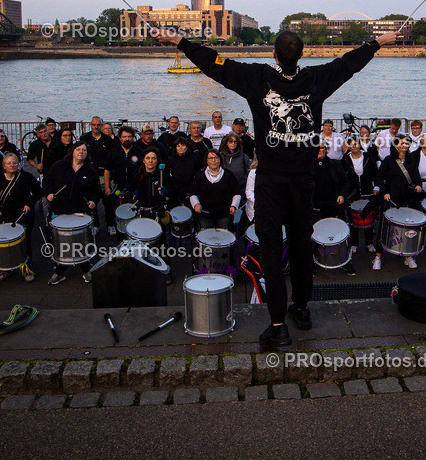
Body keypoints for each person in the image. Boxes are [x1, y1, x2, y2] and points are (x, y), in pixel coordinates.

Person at [159, 26, 396, 349]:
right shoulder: (317, 78)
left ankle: (278, 324)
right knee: (300, 244)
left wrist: (179, 42)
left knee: (271, 248)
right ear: (302, 54)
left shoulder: (256, 77)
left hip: (270, 178)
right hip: (303, 179)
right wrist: (377, 43)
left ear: (273, 54)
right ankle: (301, 308)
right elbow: (347, 64)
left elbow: (213, 63)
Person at [44, 141, 101, 284]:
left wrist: (93, 202)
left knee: (80, 241)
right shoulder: (59, 166)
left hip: (80, 212)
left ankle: (85, 268)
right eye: (78, 149)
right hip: (60, 210)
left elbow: (96, 191)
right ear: (72, 151)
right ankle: (60, 271)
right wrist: (49, 194)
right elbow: (47, 181)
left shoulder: (90, 171)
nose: (81, 152)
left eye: (84, 150)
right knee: (61, 241)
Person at [0, 153, 41, 282]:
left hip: (23, 215)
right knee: (4, 243)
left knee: (24, 242)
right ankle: (5, 269)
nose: (12, 165)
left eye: (15, 162)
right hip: (5, 215)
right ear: (3, 166)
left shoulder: (26, 177)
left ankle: (27, 269)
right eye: (9, 163)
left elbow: (37, 192)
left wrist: (29, 204)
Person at [374, 135, 422, 271]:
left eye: (406, 143)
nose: (405, 146)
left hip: (408, 199)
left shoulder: (412, 161)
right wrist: (384, 193)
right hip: (391, 200)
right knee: (384, 229)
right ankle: (378, 257)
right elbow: (378, 178)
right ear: (395, 145)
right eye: (402, 143)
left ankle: (408, 256)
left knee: (409, 229)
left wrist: (418, 186)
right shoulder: (389, 160)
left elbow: (417, 178)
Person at [311, 144, 356, 276]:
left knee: (340, 235)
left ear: (326, 149)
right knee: (314, 237)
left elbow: (345, 182)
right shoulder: (308, 166)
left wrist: (342, 195)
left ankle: (346, 262)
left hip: (334, 206)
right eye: (317, 148)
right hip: (316, 207)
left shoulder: (335, 164)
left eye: (322, 148)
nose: (319, 150)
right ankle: (314, 263)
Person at [342, 136, 380, 252]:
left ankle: (369, 243)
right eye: (352, 144)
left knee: (368, 219)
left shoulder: (368, 157)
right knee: (353, 221)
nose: (354, 146)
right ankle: (354, 244)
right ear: (349, 146)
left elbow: (375, 174)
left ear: (360, 145)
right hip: (352, 193)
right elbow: (343, 178)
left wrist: (376, 187)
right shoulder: (345, 160)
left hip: (367, 191)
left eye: (356, 144)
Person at [189, 150, 241, 230]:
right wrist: (196, 204)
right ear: (207, 161)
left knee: (224, 236)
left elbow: (236, 192)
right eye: (210, 158)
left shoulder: (228, 175)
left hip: (224, 214)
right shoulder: (200, 176)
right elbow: (193, 193)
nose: (213, 160)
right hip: (205, 214)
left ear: (220, 160)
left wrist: (233, 205)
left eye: (216, 158)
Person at [103, 127, 138, 235]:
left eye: (129, 136)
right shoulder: (113, 152)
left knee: (133, 209)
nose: (127, 139)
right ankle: (113, 226)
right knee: (113, 207)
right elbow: (107, 170)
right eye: (124, 137)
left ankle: (134, 229)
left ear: (133, 138)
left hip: (134, 186)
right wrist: (107, 187)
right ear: (119, 138)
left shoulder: (139, 151)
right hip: (118, 185)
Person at [135, 148, 176, 221]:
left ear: (157, 161)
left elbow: (173, 189)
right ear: (144, 160)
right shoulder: (138, 174)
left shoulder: (163, 174)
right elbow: (131, 187)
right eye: (148, 158)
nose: (150, 161)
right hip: (142, 213)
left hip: (159, 212)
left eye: (153, 158)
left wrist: (167, 192)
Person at [167, 137, 201, 206]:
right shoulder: (171, 160)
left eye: (182, 145)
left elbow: (197, 173)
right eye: (178, 146)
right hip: (175, 189)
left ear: (187, 147)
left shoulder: (193, 159)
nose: (180, 148)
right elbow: (167, 174)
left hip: (190, 188)